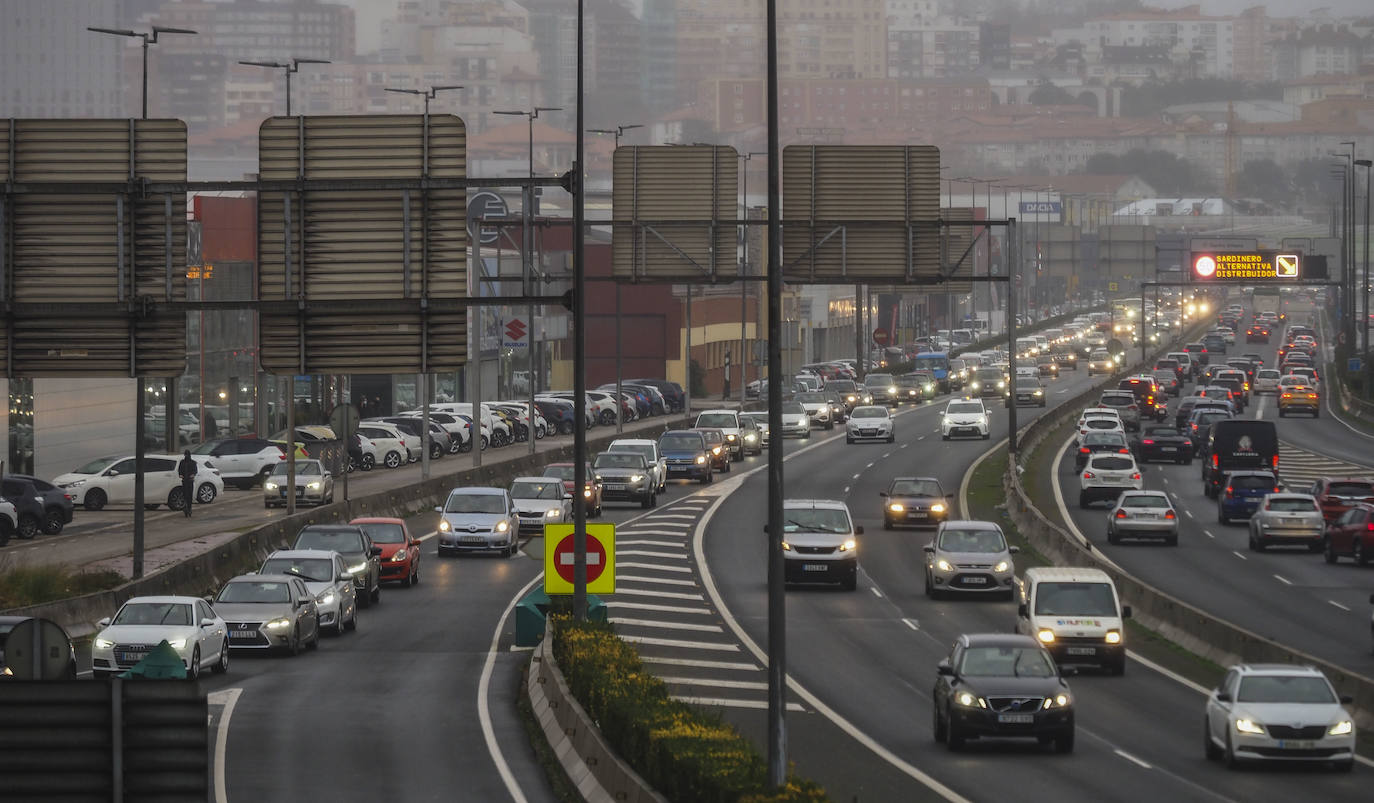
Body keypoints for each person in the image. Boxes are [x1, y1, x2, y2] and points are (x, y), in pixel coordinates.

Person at [177, 449, 197, 518]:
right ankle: (185, 506)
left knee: (190, 495)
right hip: (184, 480)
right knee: (185, 494)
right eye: (185, 455)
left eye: (187, 455)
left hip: (190, 480)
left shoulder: (193, 462)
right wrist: (180, 474)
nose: (186, 456)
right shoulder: (182, 462)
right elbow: (179, 470)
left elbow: (195, 470)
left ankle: (189, 507)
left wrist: (193, 474)